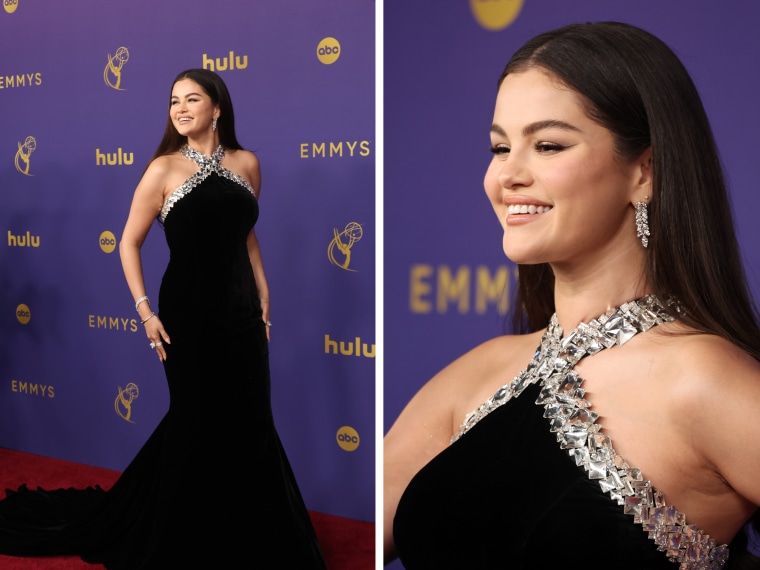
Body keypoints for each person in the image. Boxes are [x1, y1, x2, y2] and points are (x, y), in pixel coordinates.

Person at [384, 22, 760, 569]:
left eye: (548, 145)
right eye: (499, 147)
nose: (507, 175)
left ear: (645, 172)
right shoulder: (478, 372)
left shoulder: (700, 381)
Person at [0, 68, 327, 568]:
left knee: (249, 423)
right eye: (174, 100)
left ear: (217, 108)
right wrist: (144, 311)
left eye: (192, 99)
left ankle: (253, 539)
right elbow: (128, 243)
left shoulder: (248, 163)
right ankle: (185, 538)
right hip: (187, 315)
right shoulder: (162, 170)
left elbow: (244, 232)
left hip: (242, 314)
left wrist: (263, 288)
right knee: (196, 421)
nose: (179, 108)